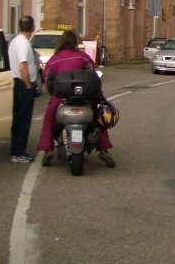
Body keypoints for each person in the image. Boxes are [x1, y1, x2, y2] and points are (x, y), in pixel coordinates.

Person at [37, 30, 116, 168]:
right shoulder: (83, 57)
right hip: (85, 98)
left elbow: (47, 79)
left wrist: (53, 94)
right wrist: (96, 95)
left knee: (49, 120)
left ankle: (47, 149)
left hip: (61, 99)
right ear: (75, 43)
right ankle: (104, 149)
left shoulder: (54, 60)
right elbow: (93, 76)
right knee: (98, 118)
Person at [8, 15, 38, 163]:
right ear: (32, 27)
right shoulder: (23, 43)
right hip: (22, 84)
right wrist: (28, 85)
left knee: (19, 119)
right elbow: (22, 66)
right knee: (23, 121)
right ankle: (18, 153)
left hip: (18, 83)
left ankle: (17, 150)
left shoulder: (15, 41)